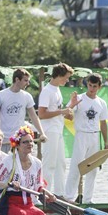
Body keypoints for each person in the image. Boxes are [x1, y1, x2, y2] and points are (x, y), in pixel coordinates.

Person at [0, 126, 56, 215]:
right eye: (25, 142)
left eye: (31, 141)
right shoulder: (9, 161)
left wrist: (48, 194)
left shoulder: (37, 163)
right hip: (11, 203)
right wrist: (8, 184)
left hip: (28, 203)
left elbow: (38, 186)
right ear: (17, 145)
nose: (29, 144)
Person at [63, 73, 108, 204]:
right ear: (87, 84)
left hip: (95, 136)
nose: (91, 88)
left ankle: (88, 199)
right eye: (90, 85)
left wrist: (106, 142)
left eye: (94, 86)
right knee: (76, 165)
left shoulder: (102, 103)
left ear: (99, 87)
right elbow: (67, 114)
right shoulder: (79, 98)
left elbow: (104, 123)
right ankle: (68, 197)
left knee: (93, 168)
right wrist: (71, 105)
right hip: (81, 135)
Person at [0, 68, 47, 153]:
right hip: (3, 139)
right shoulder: (0, 95)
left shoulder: (27, 96)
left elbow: (34, 116)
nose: (28, 83)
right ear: (17, 79)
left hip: (20, 139)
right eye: (25, 80)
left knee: (20, 165)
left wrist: (42, 133)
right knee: (3, 165)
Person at [37, 62, 74, 195]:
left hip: (58, 130)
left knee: (61, 164)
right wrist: (61, 112)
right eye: (66, 77)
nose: (67, 80)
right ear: (59, 75)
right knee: (49, 164)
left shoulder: (57, 89)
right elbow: (41, 114)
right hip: (49, 130)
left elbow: (57, 111)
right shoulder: (47, 91)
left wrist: (66, 112)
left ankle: (59, 194)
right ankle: (44, 194)